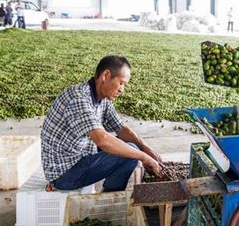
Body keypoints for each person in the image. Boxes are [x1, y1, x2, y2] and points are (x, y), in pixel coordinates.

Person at [41, 55, 163, 192]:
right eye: (121, 83)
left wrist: (146, 149)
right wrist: (143, 157)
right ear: (106, 75)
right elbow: (102, 140)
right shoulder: (78, 98)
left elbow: (121, 129)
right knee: (129, 156)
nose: (122, 89)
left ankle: (111, 191)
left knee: (131, 147)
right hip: (64, 173)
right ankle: (110, 196)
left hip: (81, 153)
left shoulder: (102, 99)